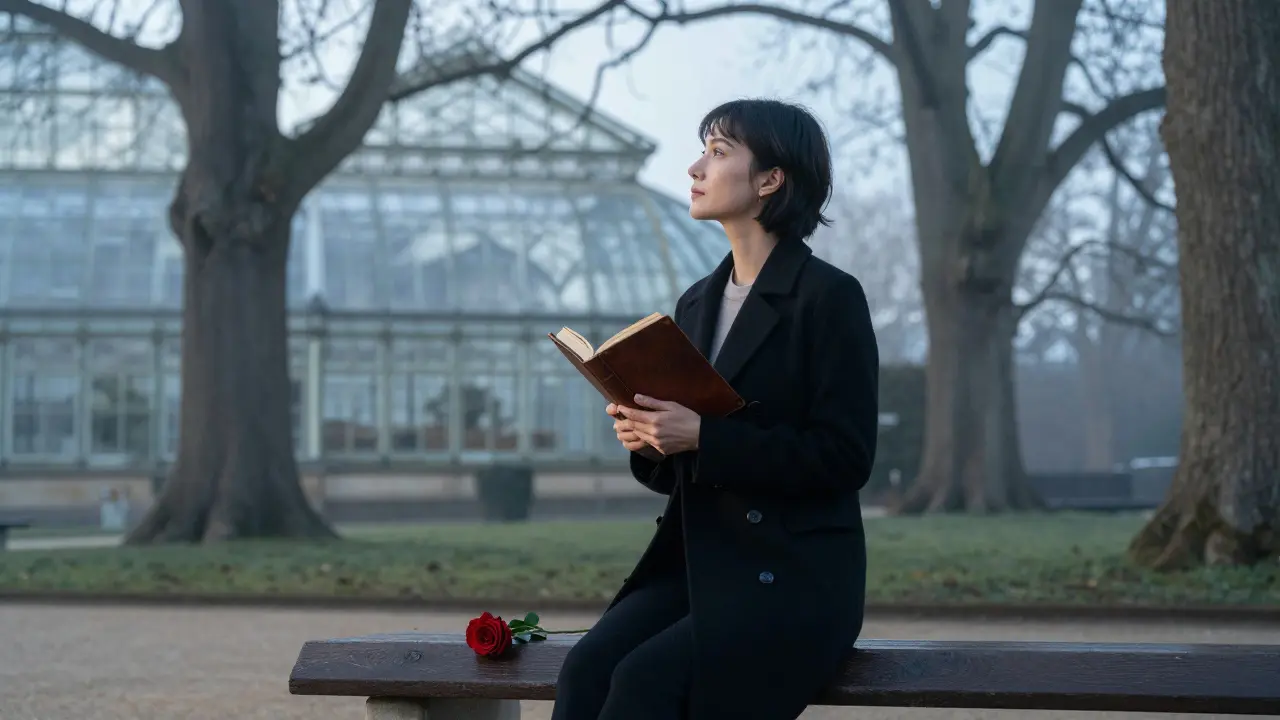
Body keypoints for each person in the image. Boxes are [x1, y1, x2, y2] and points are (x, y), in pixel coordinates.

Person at [550, 98, 880, 720]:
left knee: (644, 683)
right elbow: (680, 467)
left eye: (719, 152)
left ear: (770, 179)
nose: (696, 168)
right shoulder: (697, 301)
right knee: (587, 669)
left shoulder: (829, 298)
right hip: (700, 564)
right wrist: (648, 437)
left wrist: (703, 436)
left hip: (793, 577)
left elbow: (845, 456)